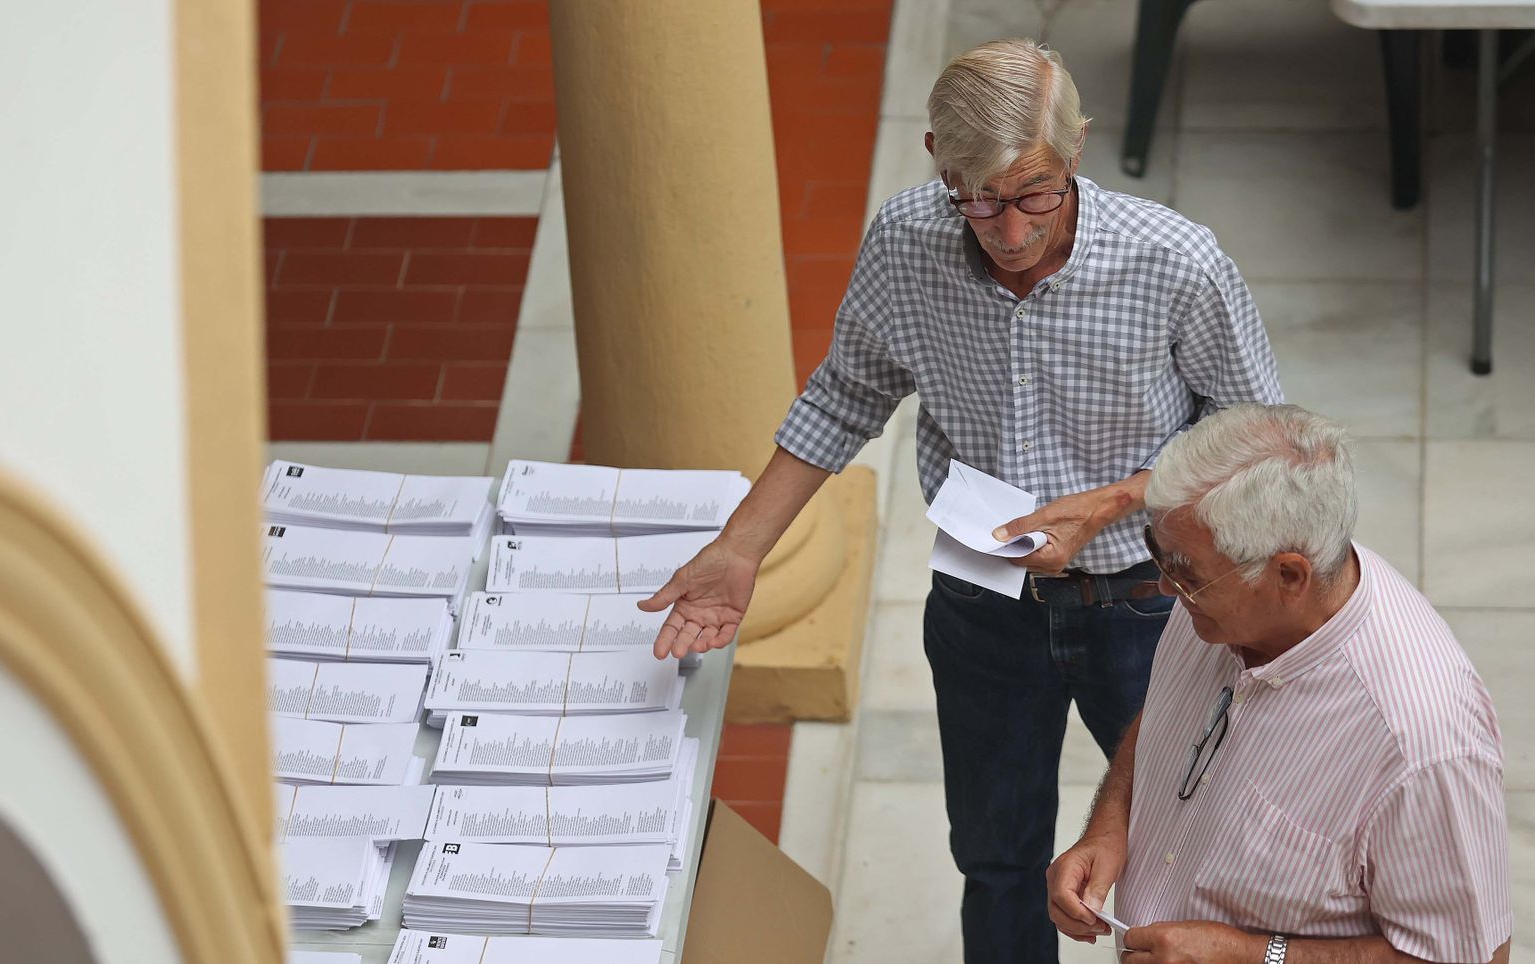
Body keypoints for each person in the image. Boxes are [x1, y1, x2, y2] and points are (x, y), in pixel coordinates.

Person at [641, 38, 1280, 962]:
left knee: (1188, 854)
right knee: (994, 859)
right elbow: (847, 392)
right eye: (976, 198)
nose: (1009, 232)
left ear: (1077, 153)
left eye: (1033, 195)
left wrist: (1114, 502)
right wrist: (742, 548)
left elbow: (1258, 433)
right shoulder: (905, 243)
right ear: (936, 153)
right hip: (984, 605)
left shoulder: (1175, 264)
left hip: (1152, 605)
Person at [1047, 403, 1512, 964]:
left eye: (1183, 571)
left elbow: (1470, 958)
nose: (1165, 587)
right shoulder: (1222, 590)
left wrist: (1250, 956)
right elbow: (1167, 718)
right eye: (1157, 554)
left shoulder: (1422, 743)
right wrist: (1109, 823)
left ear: (1289, 574)